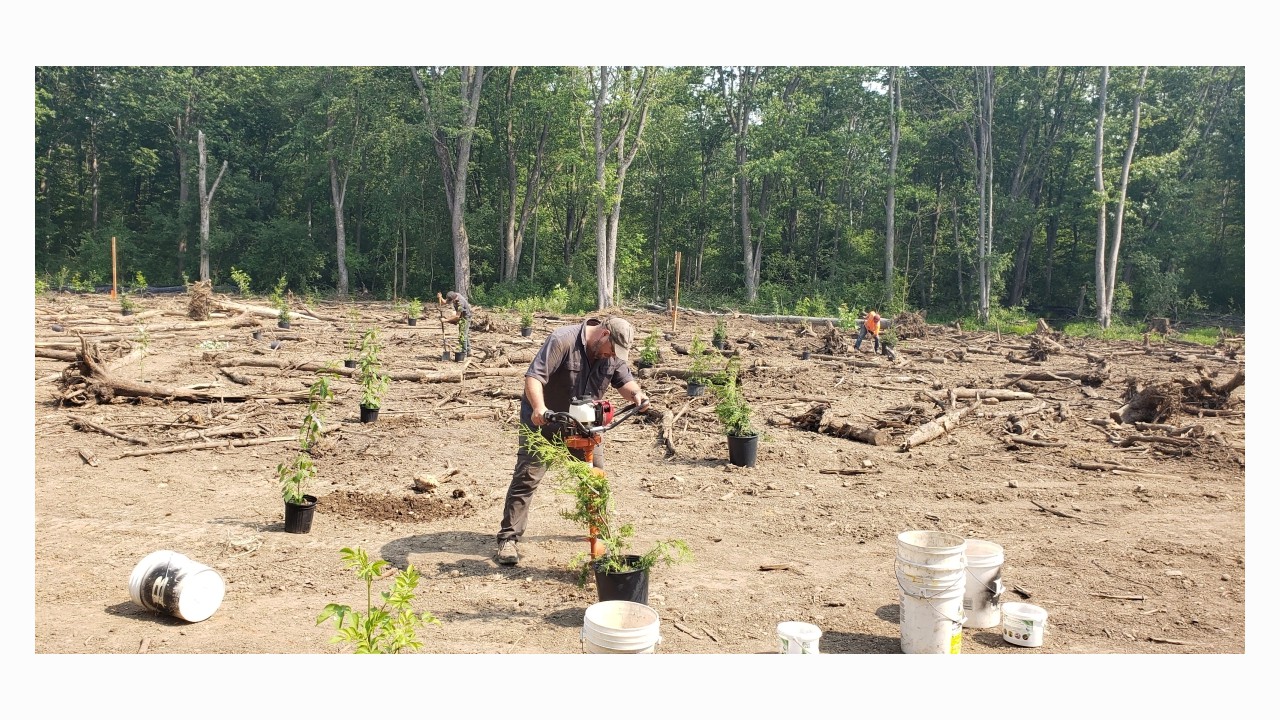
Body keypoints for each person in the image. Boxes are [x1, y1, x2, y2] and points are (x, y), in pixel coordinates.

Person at [495, 315, 650, 566]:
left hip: (583, 429)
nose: (612, 356)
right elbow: (533, 378)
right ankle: (508, 539)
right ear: (603, 335)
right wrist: (539, 408)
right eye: (612, 350)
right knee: (526, 479)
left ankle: (600, 539)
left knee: (594, 481)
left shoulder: (611, 355)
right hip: (544, 423)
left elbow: (624, 382)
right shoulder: (562, 340)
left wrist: (637, 395)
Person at [440, 290, 472, 356]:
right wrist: (440, 297)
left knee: (463, 335)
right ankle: (469, 351)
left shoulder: (460, 303)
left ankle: (464, 353)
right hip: (461, 317)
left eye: (452, 301)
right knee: (464, 334)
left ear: (454, 299)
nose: (452, 302)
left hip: (466, 318)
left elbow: (457, 317)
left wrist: (446, 320)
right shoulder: (453, 296)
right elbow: (444, 302)